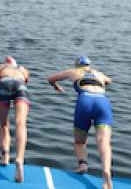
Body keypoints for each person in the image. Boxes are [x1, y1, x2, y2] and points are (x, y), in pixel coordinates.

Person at [47, 57, 114, 189]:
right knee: (104, 142)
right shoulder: (98, 73)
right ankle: (106, 171)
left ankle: (83, 164)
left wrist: (56, 87)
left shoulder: (73, 72)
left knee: (80, 141)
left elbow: (51, 78)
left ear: (77, 65)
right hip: (103, 101)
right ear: (89, 65)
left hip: (85, 100)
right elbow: (109, 81)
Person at [0, 56, 31, 182]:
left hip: (4, 83)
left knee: (4, 124)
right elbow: (26, 80)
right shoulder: (23, 69)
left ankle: (5, 156)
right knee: (21, 123)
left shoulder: (1, 67)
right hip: (20, 85)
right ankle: (19, 158)